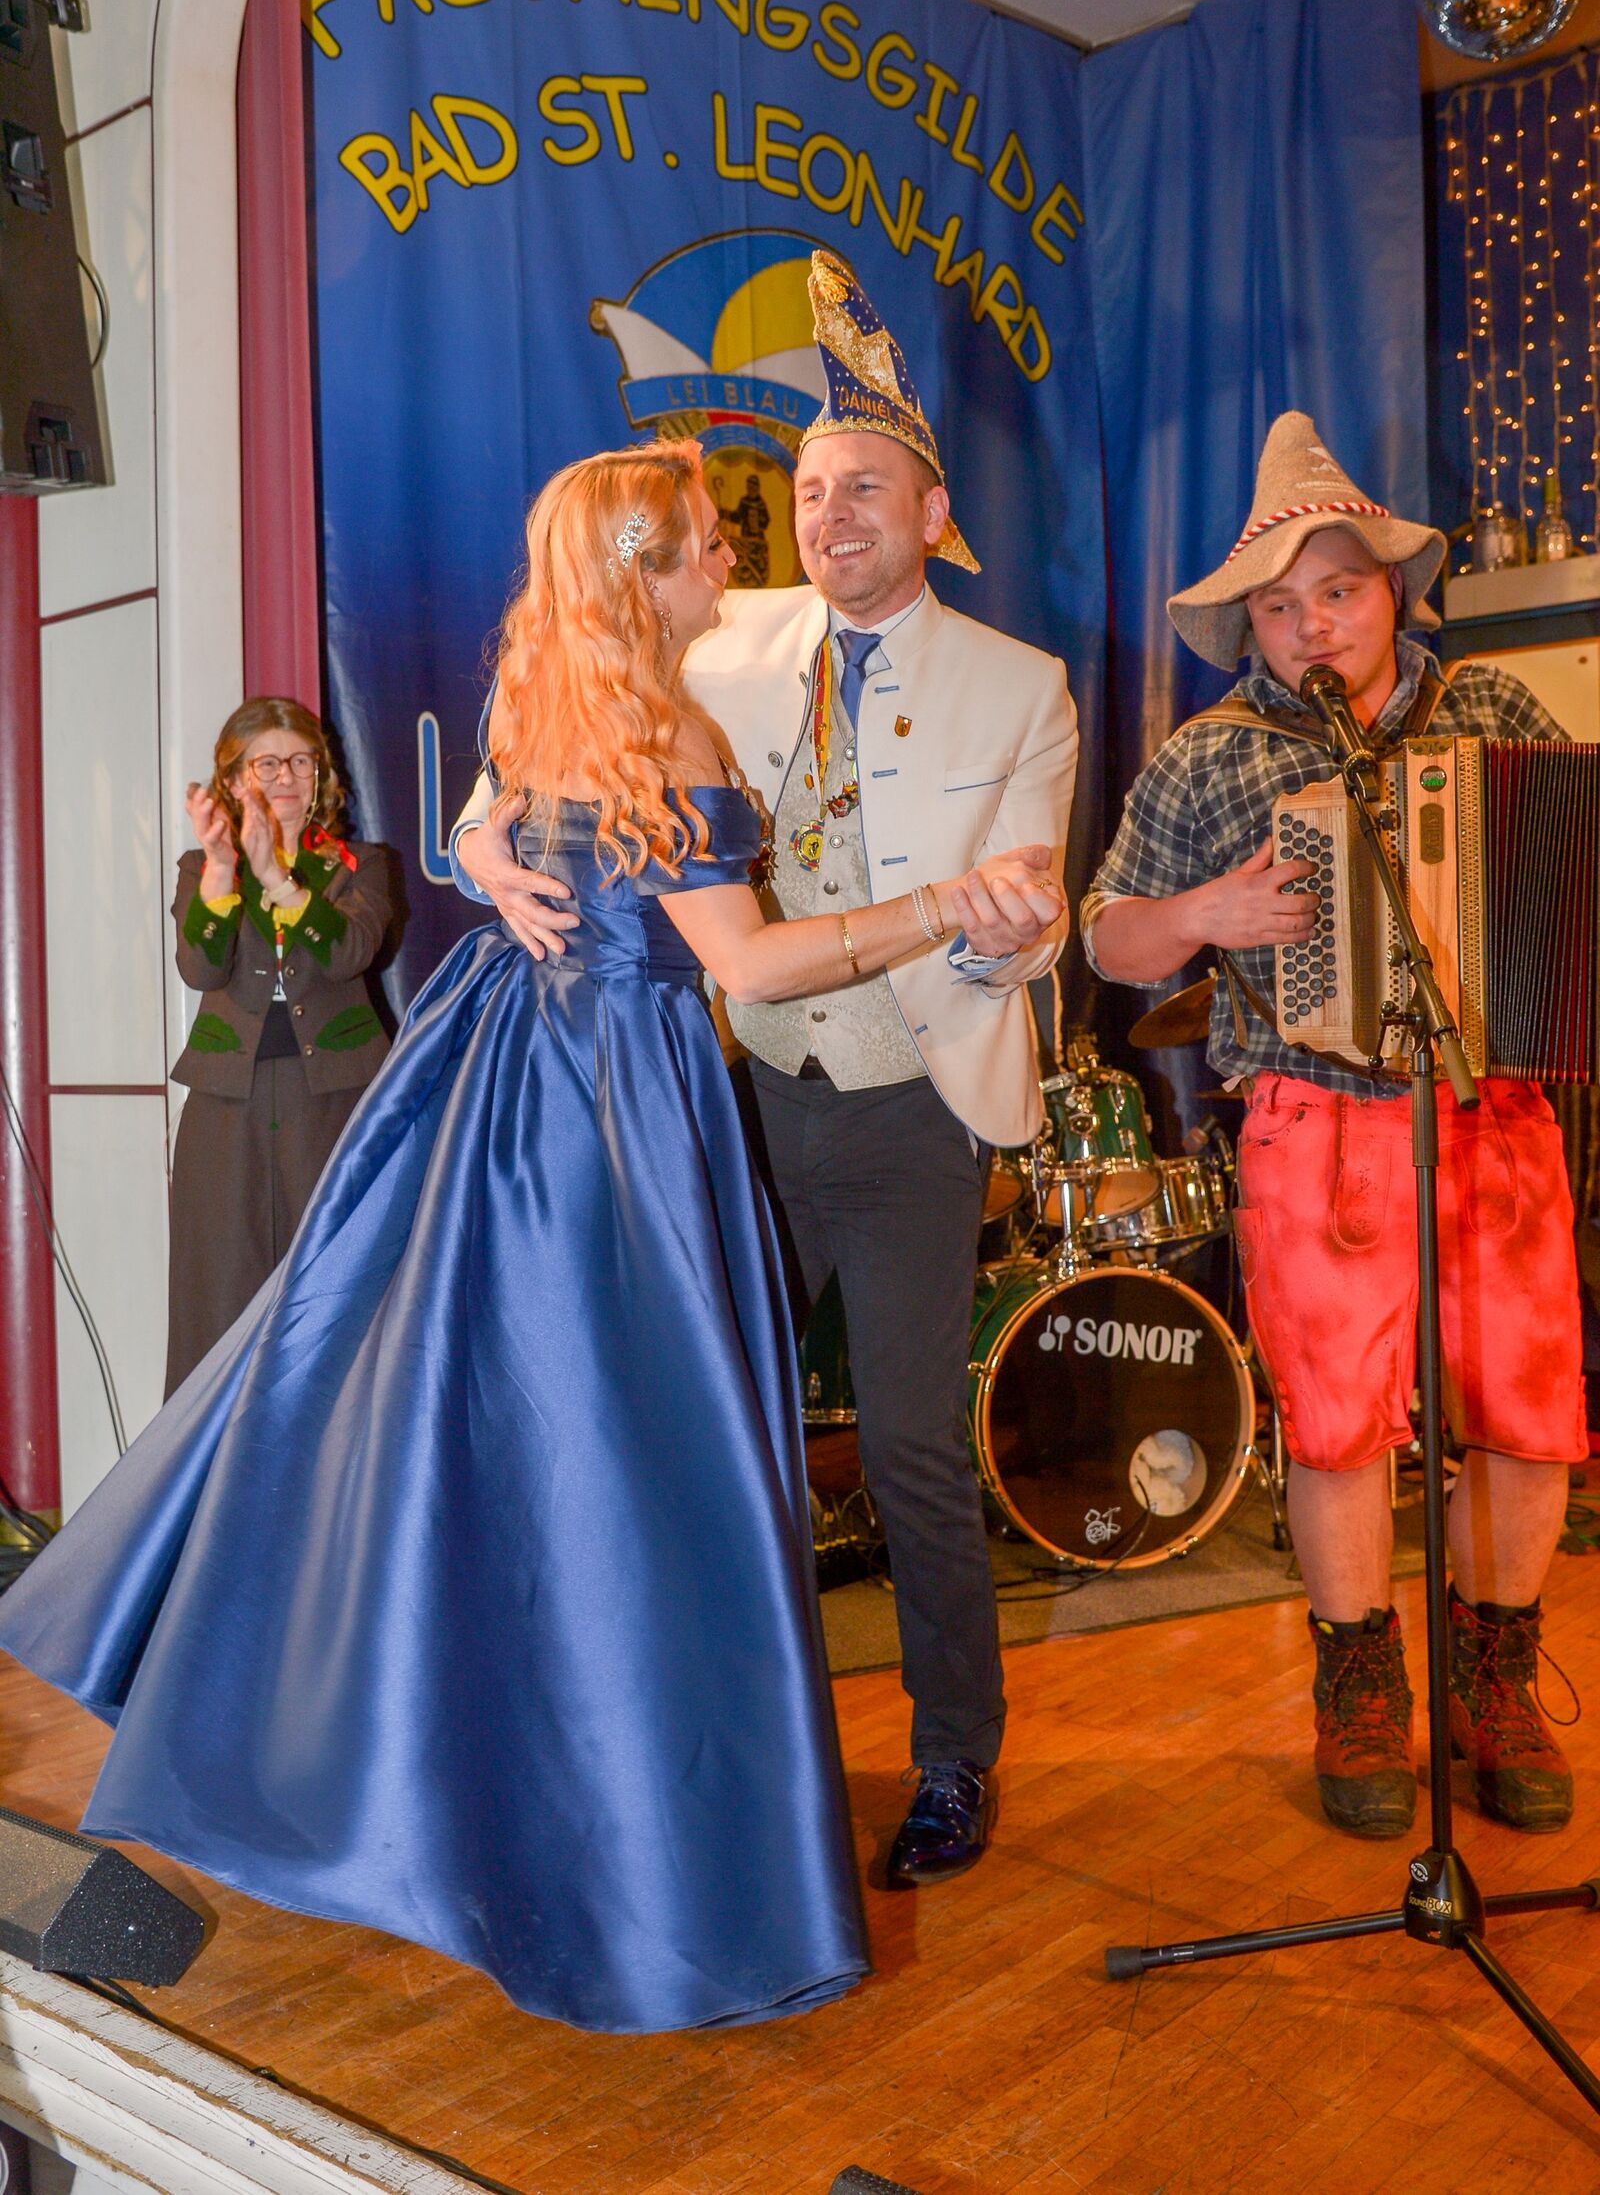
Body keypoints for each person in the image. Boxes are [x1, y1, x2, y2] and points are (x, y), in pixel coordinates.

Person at [0, 438, 1060, 2033]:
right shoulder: (672, 723)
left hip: (504, 1073)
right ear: (644, 571)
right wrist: (943, 903)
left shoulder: (544, 685)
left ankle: (466, 1780)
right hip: (616, 1105)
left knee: (478, 1439)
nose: (738, 557)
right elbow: (751, 966)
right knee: (634, 1471)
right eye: (709, 539)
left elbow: (501, 810)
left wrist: (482, 846)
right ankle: (629, 1850)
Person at [452, 252, 1078, 1888]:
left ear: (933, 512)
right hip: (729, 1107)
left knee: (916, 1450)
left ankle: (953, 1757)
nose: (825, 514)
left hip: (911, 1111)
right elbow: (557, 707)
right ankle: (715, 1743)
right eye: (805, 490)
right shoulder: (715, 632)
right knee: (708, 1435)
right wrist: (473, 835)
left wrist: (1003, 929)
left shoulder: (1023, 688)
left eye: (862, 487)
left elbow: (1026, 922)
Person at [1083, 411, 1585, 1840]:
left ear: (1392, 591)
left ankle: (1496, 1675)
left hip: (1495, 1106)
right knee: (1338, 1425)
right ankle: (1360, 1681)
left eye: (1338, 590)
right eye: (1278, 604)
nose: (1311, 622)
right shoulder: (1209, 755)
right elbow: (1108, 936)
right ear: (1248, 626)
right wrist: (1207, 913)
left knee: (1526, 1414)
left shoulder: (1492, 711)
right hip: (1313, 1119)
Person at [166, 697, 393, 1394]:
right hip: (224, 1104)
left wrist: (277, 878)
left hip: (334, 1101)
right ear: (235, 779)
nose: (286, 777)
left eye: (301, 761)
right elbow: (200, 968)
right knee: (217, 1293)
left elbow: (349, 952)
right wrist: (224, 869)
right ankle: (208, 1454)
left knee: (331, 1287)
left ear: (321, 776)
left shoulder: (361, 864)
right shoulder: (201, 866)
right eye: (266, 764)